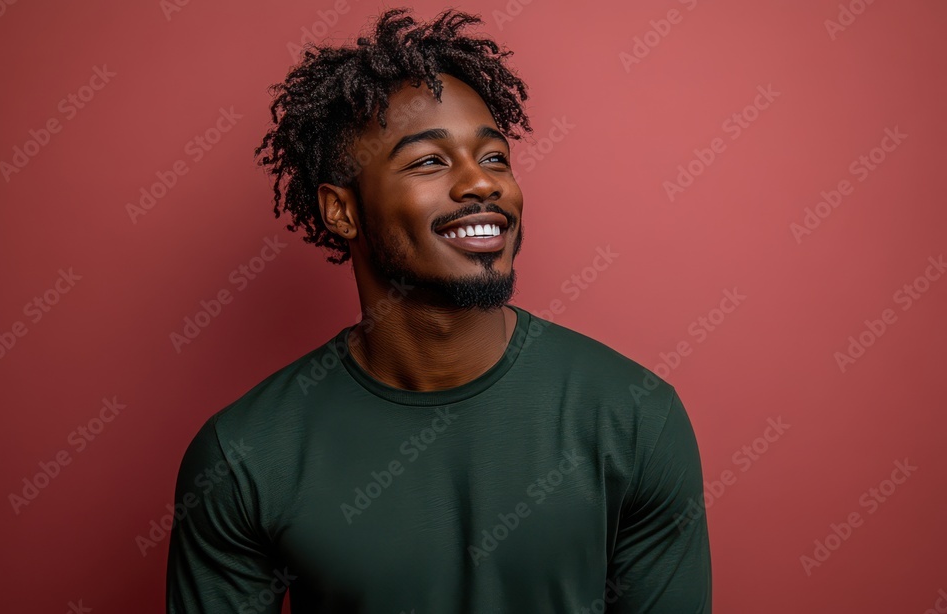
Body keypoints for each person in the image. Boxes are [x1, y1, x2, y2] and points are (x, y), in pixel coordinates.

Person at [166, 7, 712, 613]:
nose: (483, 184)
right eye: (429, 160)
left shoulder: (634, 418)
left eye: (496, 157)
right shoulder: (244, 456)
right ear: (341, 211)